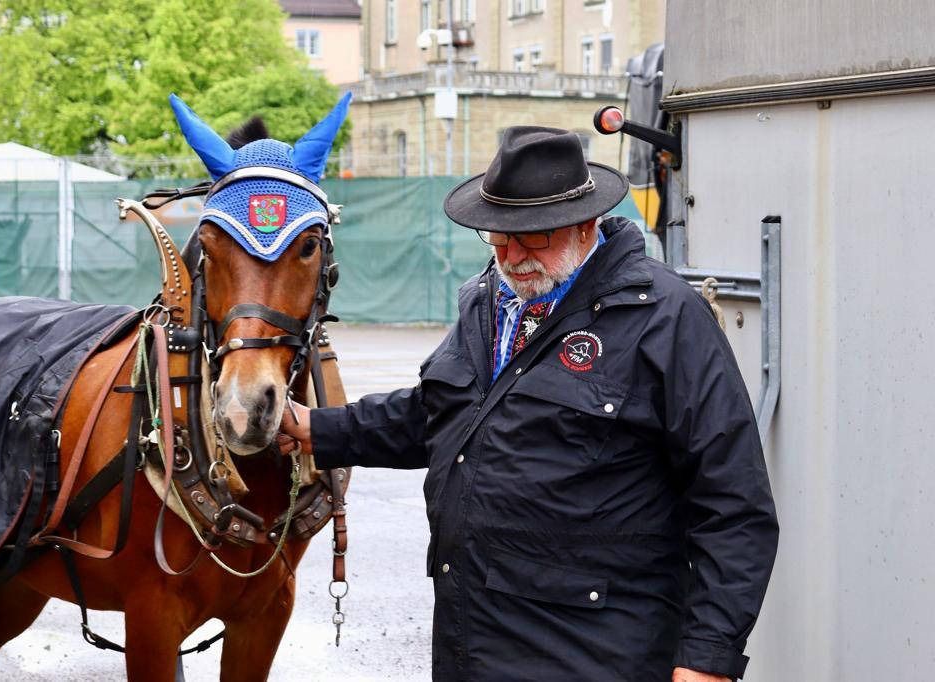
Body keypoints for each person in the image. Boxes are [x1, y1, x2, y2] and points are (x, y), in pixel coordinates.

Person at [278, 127, 779, 681]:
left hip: (597, 656)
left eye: (531, 237)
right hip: (475, 645)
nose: (511, 256)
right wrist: (316, 428)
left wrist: (707, 659)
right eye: (497, 236)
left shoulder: (664, 317)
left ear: (584, 225)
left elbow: (734, 504)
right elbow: (441, 415)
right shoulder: (491, 301)